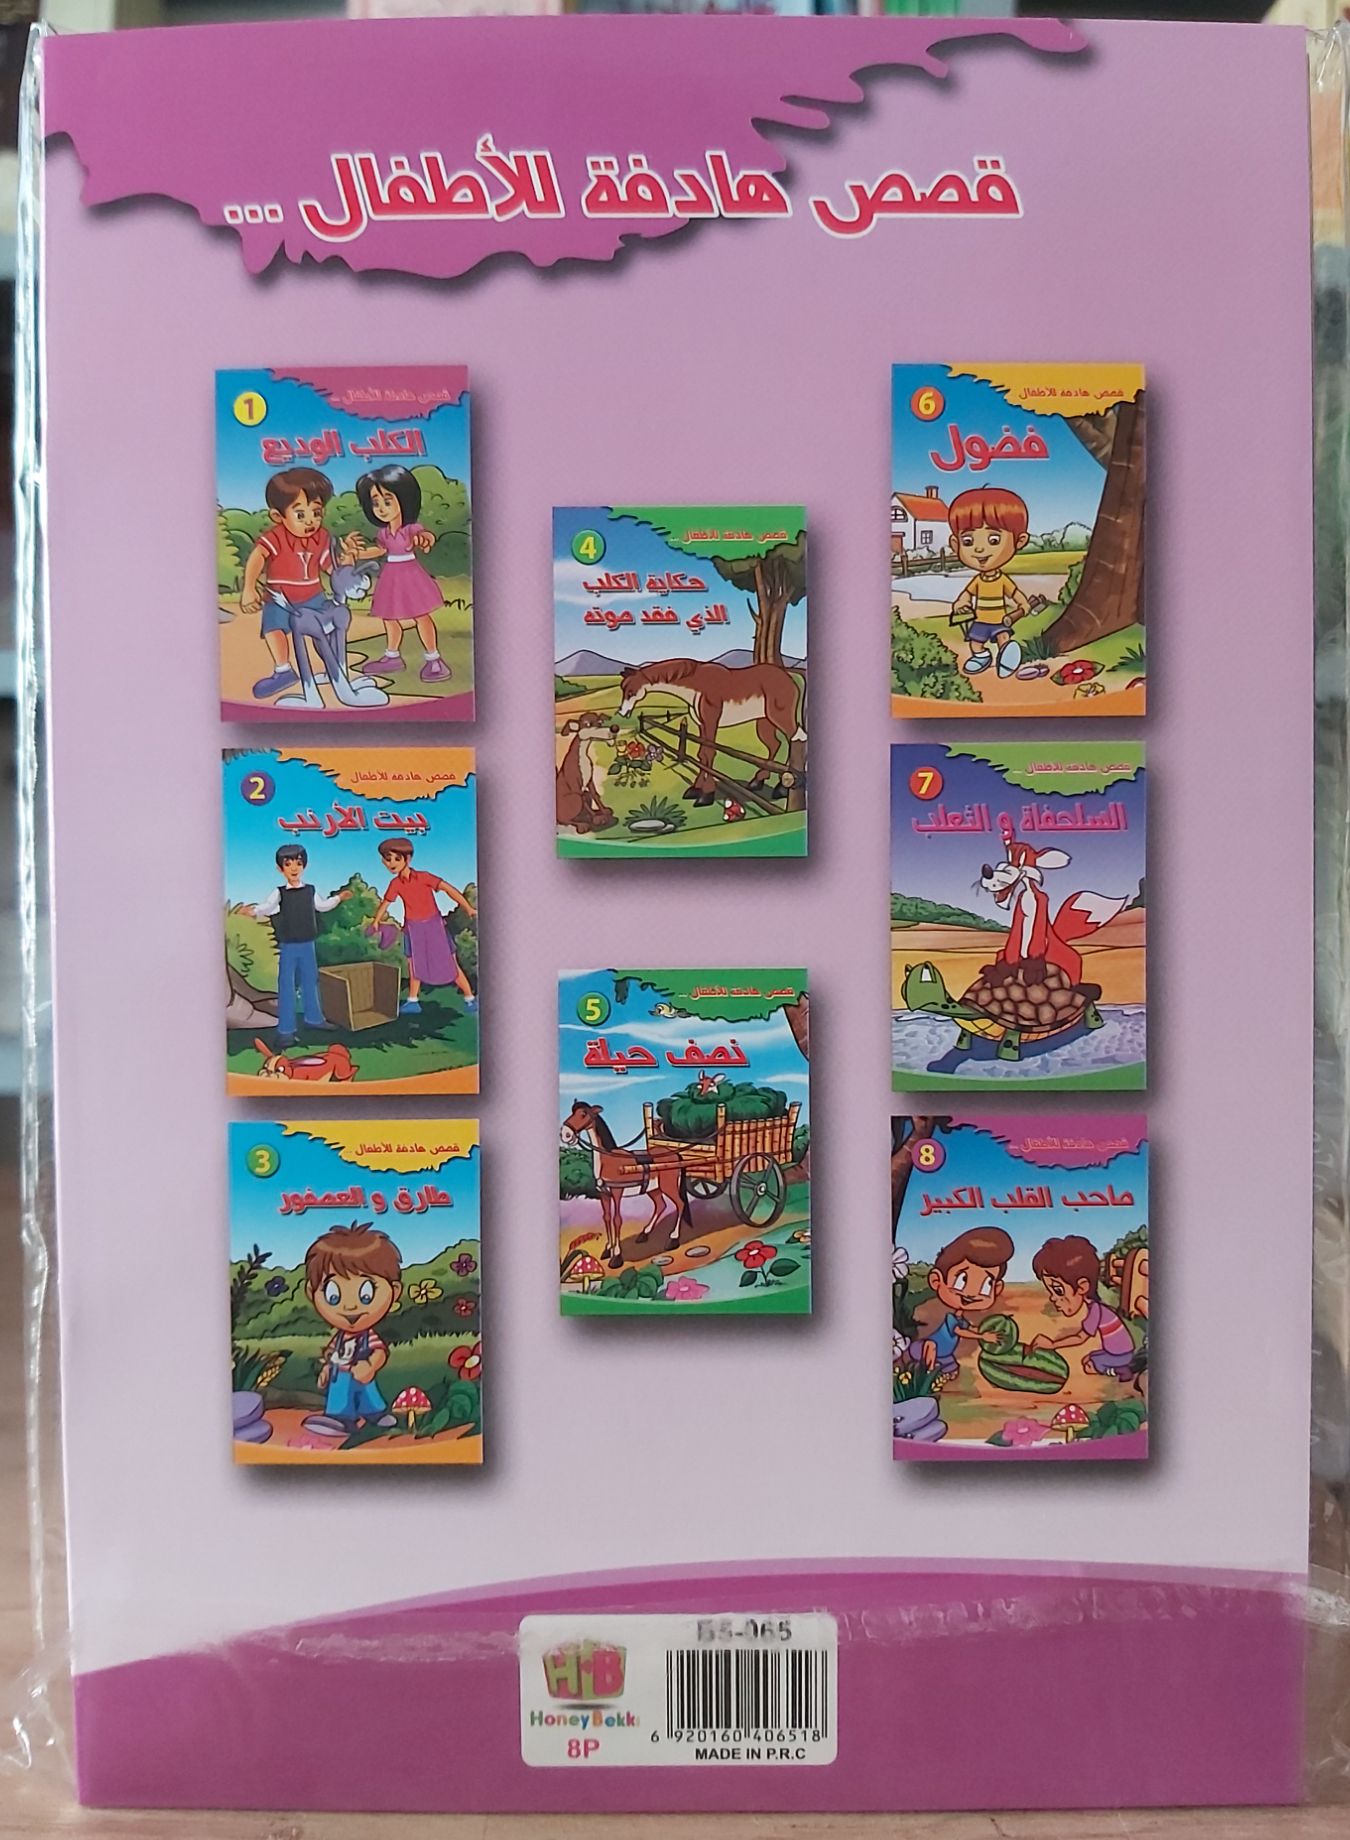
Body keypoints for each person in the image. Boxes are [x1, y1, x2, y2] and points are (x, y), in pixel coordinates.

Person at [239, 467, 345, 699]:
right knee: (273, 629)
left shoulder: (322, 536)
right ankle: (283, 670)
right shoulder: (275, 537)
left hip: (314, 596)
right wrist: (248, 588)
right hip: (280, 598)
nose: (310, 521)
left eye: (316, 512)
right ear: (279, 517)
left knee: (324, 631)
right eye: (300, 515)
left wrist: (344, 571)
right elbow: (257, 557)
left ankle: (333, 663)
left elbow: (328, 565)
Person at [344, 464, 450, 683]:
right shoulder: (384, 533)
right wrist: (357, 553)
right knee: (390, 617)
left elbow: (425, 536)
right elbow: (380, 550)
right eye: (375, 503)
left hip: (410, 575)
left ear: (404, 499)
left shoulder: (410, 529)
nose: (381, 508)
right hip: (391, 577)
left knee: (421, 616)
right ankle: (392, 656)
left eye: (387, 501)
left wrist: (425, 540)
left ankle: (434, 659)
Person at [303, 1224, 403, 1438]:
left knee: (369, 1397)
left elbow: (380, 1352)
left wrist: (370, 1365)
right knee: (340, 1396)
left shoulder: (368, 1336)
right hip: (340, 1374)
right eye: (333, 1296)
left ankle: (376, 1415)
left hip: (362, 1372)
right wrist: (326, 1369)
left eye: (366, 1295)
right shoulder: (339, 1338)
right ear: (312, 1294)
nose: (350, 1307)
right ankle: (340, 1420)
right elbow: (331, 1354)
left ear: (394, 1292)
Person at [251, 845, 352, 1046]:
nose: (294, 868)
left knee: (310, 981)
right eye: (288, 864)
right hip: (289, 945)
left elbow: (322, 906)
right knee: (287, 985)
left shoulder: (310, 890)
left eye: (298, 863)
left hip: (308, 943)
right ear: (280, 869)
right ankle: (286, 1030)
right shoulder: (279, 893)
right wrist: (253, 911)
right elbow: (268, 907)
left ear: (304, 865)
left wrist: (339, 898)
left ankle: (314, 1019)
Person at [372, 838, 476, 1015]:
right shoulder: (395, 884)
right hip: (412, 929)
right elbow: (386, 902)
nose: (391, 863)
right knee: (414, 964)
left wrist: (467, 907)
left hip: (433, 926)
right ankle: (413, 1001)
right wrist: (376, 920)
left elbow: (449, 889)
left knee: (450, 963)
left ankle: (470, 999)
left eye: (396, 859)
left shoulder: (424, 877)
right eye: (388, 859)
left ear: (408, 859)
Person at [947, 486, 1034, 679]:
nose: (979, 549)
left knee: (1003, 637)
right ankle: (982, 657)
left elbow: (1014, 593)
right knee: (975, 643)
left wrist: (1023, 604)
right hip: (980, 620)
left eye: (993, 540)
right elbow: (967, 594)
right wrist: (961, 603)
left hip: (1000, 620)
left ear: (1019, 541)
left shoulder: (1002, 580)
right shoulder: (978, 580)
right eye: (968, 541)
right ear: (955, 544)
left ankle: (1007, 658)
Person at [911, 1225, 1014, 1378]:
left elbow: (968, 1328)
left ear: (997, 1289)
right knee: (930, 1350)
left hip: (945, 1355)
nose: (971, 1294)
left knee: (952, 1372)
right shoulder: (951, 1319)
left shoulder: (960, 1319)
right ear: (936, 1280)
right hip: (925, 1348)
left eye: (986, 1286)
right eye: (961, 1280)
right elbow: (959, 1331)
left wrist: (983, 1330)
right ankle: (924, 1374)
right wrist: (982, 1337)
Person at [1029, 1234, 1138, 1378]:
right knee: (1088, 1359)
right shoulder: (1098, 1307)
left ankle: (1119, 1371)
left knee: (1089, 1366)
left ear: (1082, 1287)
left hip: (1121, 1355)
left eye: (1058, 1290)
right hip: (1120, 1352)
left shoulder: (1096, 1311)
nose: (1053, 1298)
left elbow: (1080, 1338)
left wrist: (1052, 1345)